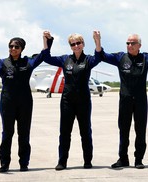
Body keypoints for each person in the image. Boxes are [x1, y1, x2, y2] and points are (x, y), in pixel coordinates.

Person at [0, 31, 53, 173]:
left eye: (16, 47)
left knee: (24, 133)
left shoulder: (28, 62)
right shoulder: (2, 63)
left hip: (25, 103)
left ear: (21, 49)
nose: (13, 49)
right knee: (7, 133)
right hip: (7, 102)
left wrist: (47, 40)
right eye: (11, 46)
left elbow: (44, 55)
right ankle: (4, 163)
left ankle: (24, 163)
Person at [98, 32, 148, 169]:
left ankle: (139, 159)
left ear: (139, 45)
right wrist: (98, 41)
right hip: (125, 100)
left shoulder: (145, 58)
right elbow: (102, 56)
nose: (129, 45)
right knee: (124, 130)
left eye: (132, 43)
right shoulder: (120, 58)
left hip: (141, 100)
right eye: (127, 43)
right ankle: (123, 158)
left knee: (140, 130)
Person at [43, 31, 102, 170]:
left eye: (78, 43)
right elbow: (46, 57)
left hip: (83, 101)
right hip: (67, 101)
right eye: (73, 44)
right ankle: (62, 161)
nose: (76, 46)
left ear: (83, 44)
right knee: (64, 132)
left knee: (85, 132)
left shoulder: (88, 60)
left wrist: (97, 40)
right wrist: (45, 40)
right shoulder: (65, 59)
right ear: (70, 46)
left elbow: (99, 57)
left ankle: (87, 160)